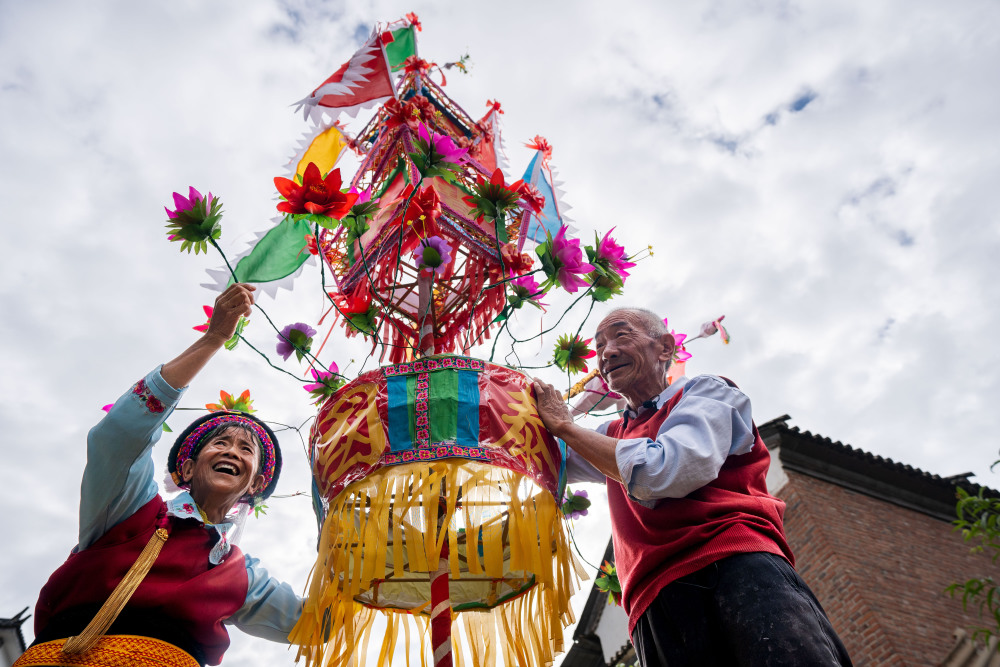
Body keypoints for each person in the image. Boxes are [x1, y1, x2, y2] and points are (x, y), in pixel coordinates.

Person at [533, 307, 851, 666]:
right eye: (600, 345)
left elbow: (666, 470)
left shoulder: (707, 392)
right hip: (652, 603)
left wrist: (567, 428)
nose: (607, 353)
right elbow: (535, 454)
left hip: (732, 566)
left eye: (621, 336)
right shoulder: (611, 435)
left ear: (665, 348)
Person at [16, 284, 303, 667]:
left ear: (253, 486)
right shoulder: (128, 511)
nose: (233, 450)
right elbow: (116, 437)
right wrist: (214, 339)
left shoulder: (240, 573)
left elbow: (317, 621)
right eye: (220, 443)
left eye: (246, 449)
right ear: (186, 468)